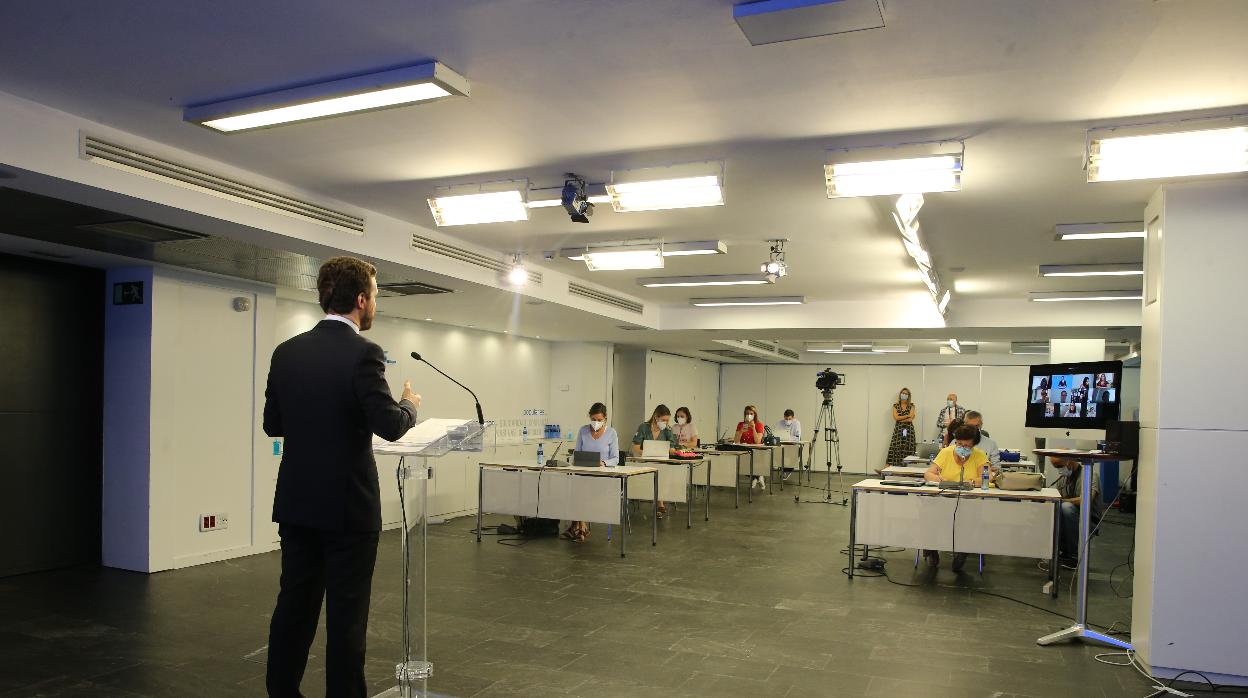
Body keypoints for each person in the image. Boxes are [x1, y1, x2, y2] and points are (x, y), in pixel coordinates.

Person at [262, 256, 421, 698]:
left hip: (297, 503)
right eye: (375, 296)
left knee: (293, 608)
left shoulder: (287, 351)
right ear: (360, 299)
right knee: (347, 619)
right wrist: (410, 404)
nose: (375, 305)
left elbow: (273, 423)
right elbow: (389, 424)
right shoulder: (364, 354)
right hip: (348, 509)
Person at [923, 425, 991, 572]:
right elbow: (928, 474)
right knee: (929, 516)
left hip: (968, 501)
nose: (962, 447)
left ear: (974, 445)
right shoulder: (946, 452)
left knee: (969, 520)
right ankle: (930, 550)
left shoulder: (979, 455)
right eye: (959, 443)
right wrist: (939, 479)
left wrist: (972, 482)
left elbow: (987, 477)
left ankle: (963, 551)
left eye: (967, 445)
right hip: (944, 498)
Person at [564, 402, 619, 542]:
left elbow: (616, 458)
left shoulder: (611, 433)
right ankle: (581, 526)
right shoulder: (583, 430)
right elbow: (577, 452)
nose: (596, 422)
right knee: (576, 488)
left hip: (603, 476)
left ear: (605, 418)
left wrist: (604, 463)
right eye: (593, 419)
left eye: (599, 420)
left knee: (581, 491)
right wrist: (572, 460)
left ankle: (579, 526)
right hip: (584, 472)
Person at [1051, 457, 1106, 563]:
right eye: (1056, 467)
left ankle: (1076, 554)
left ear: (1069, 461)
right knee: (1054, 509)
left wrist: (1063, 501)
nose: (1058, 470)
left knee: (1065, 507)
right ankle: (1063, 550)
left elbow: (1086, 499)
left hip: (1089, 520)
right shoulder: (1062, 479)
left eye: (1059, 466)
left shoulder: (1089, 475)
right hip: (1073, 517)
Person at [630, 405, 679, 517]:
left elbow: (672, 447)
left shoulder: (668, 430)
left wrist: (672, 450)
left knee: (663, 474)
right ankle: (655, 499)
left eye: (667, 420)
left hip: (661, 463)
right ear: (656, 417)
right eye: (663, 420)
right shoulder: (643, 427)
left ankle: (660, 501)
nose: (665, 423)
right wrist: (647, 453)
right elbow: (635, 447)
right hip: (645, 462)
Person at [735, 405, 767, 489]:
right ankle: (758, 477)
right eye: (747, 413)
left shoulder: (759, 425)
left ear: (755, 414)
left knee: (753, 463)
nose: (749, 415)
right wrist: (741, 431)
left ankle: (757, 477)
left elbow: (757, 441)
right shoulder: (741, 424)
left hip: (756, 451)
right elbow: (736, 441)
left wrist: (753, 429)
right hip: (743, 451)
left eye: (751, 413)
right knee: (741, 465)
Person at [884, 388, 916, 470]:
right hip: (898, 430)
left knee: (907, 448)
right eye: (903, 393)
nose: (904, 395)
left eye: (906, 394)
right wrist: (907, 416)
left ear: (908, 396)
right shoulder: (896, 405)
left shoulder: (911, 406)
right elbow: (896, 417)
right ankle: (886, 470)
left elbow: (911, 417)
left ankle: (906, 470)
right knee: (895, 447)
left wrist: (902, 418)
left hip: (908, 430)